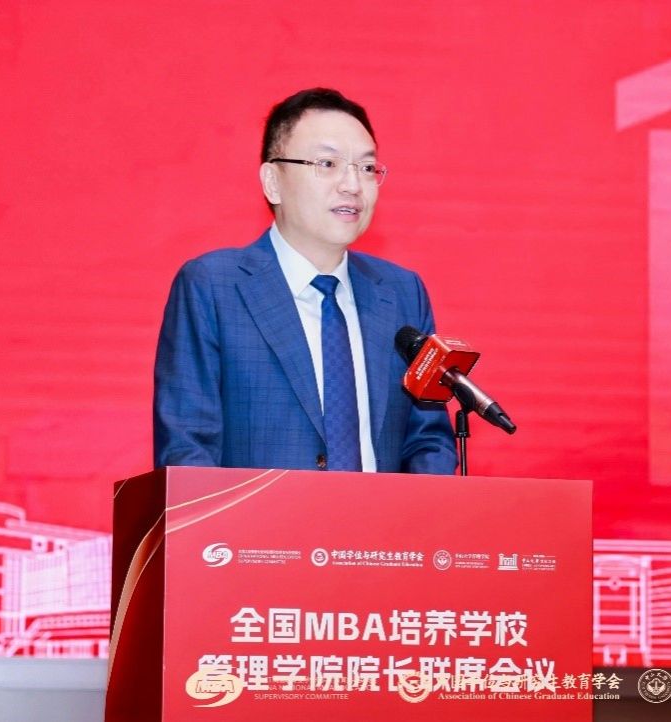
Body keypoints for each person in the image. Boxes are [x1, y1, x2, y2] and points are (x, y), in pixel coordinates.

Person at [153, 87, 456, 474]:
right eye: (328, 164)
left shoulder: (401, 293)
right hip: (256, 517)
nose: (352, 185)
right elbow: (188, 448)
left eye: (366, 168)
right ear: (273, 182)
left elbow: (428, 439)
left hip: (384, 516)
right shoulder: (213, 287)